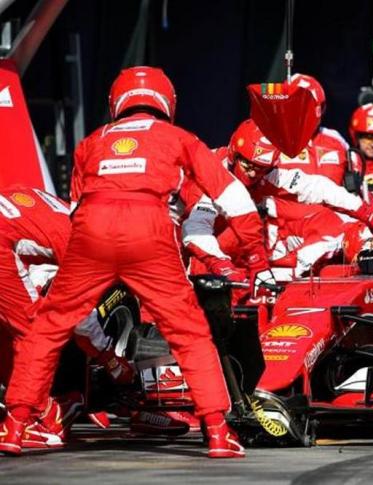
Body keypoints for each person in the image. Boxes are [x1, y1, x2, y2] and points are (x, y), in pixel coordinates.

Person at [0, 66, 269, 458]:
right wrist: (257, 256)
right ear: (167, 104)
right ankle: (217, 432)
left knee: (46, 328)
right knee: (189, 331)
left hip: (92, 225)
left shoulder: (90, 142)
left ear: (116, 104)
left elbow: (76, 210)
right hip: (150, 226)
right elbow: (233, 197)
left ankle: (15, 426)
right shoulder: (180, 138)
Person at [0, 186, 132, 447]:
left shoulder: (57, 207)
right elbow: (79, 313)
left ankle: (48, 410)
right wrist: (107, 355)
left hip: (10, 243)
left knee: (16, 330)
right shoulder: (82, 239)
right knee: (34, 336)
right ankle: (44, 416)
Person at [183, 119, 373, 279]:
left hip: (236, 253)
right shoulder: (209, 174)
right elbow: (195, 230)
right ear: (233, 155)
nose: (255, 174)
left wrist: (366, 211)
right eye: (249, 166)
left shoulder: (266, 173)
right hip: (185, 246)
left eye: (262, 168)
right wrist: (222, 266)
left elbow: (315, 186)